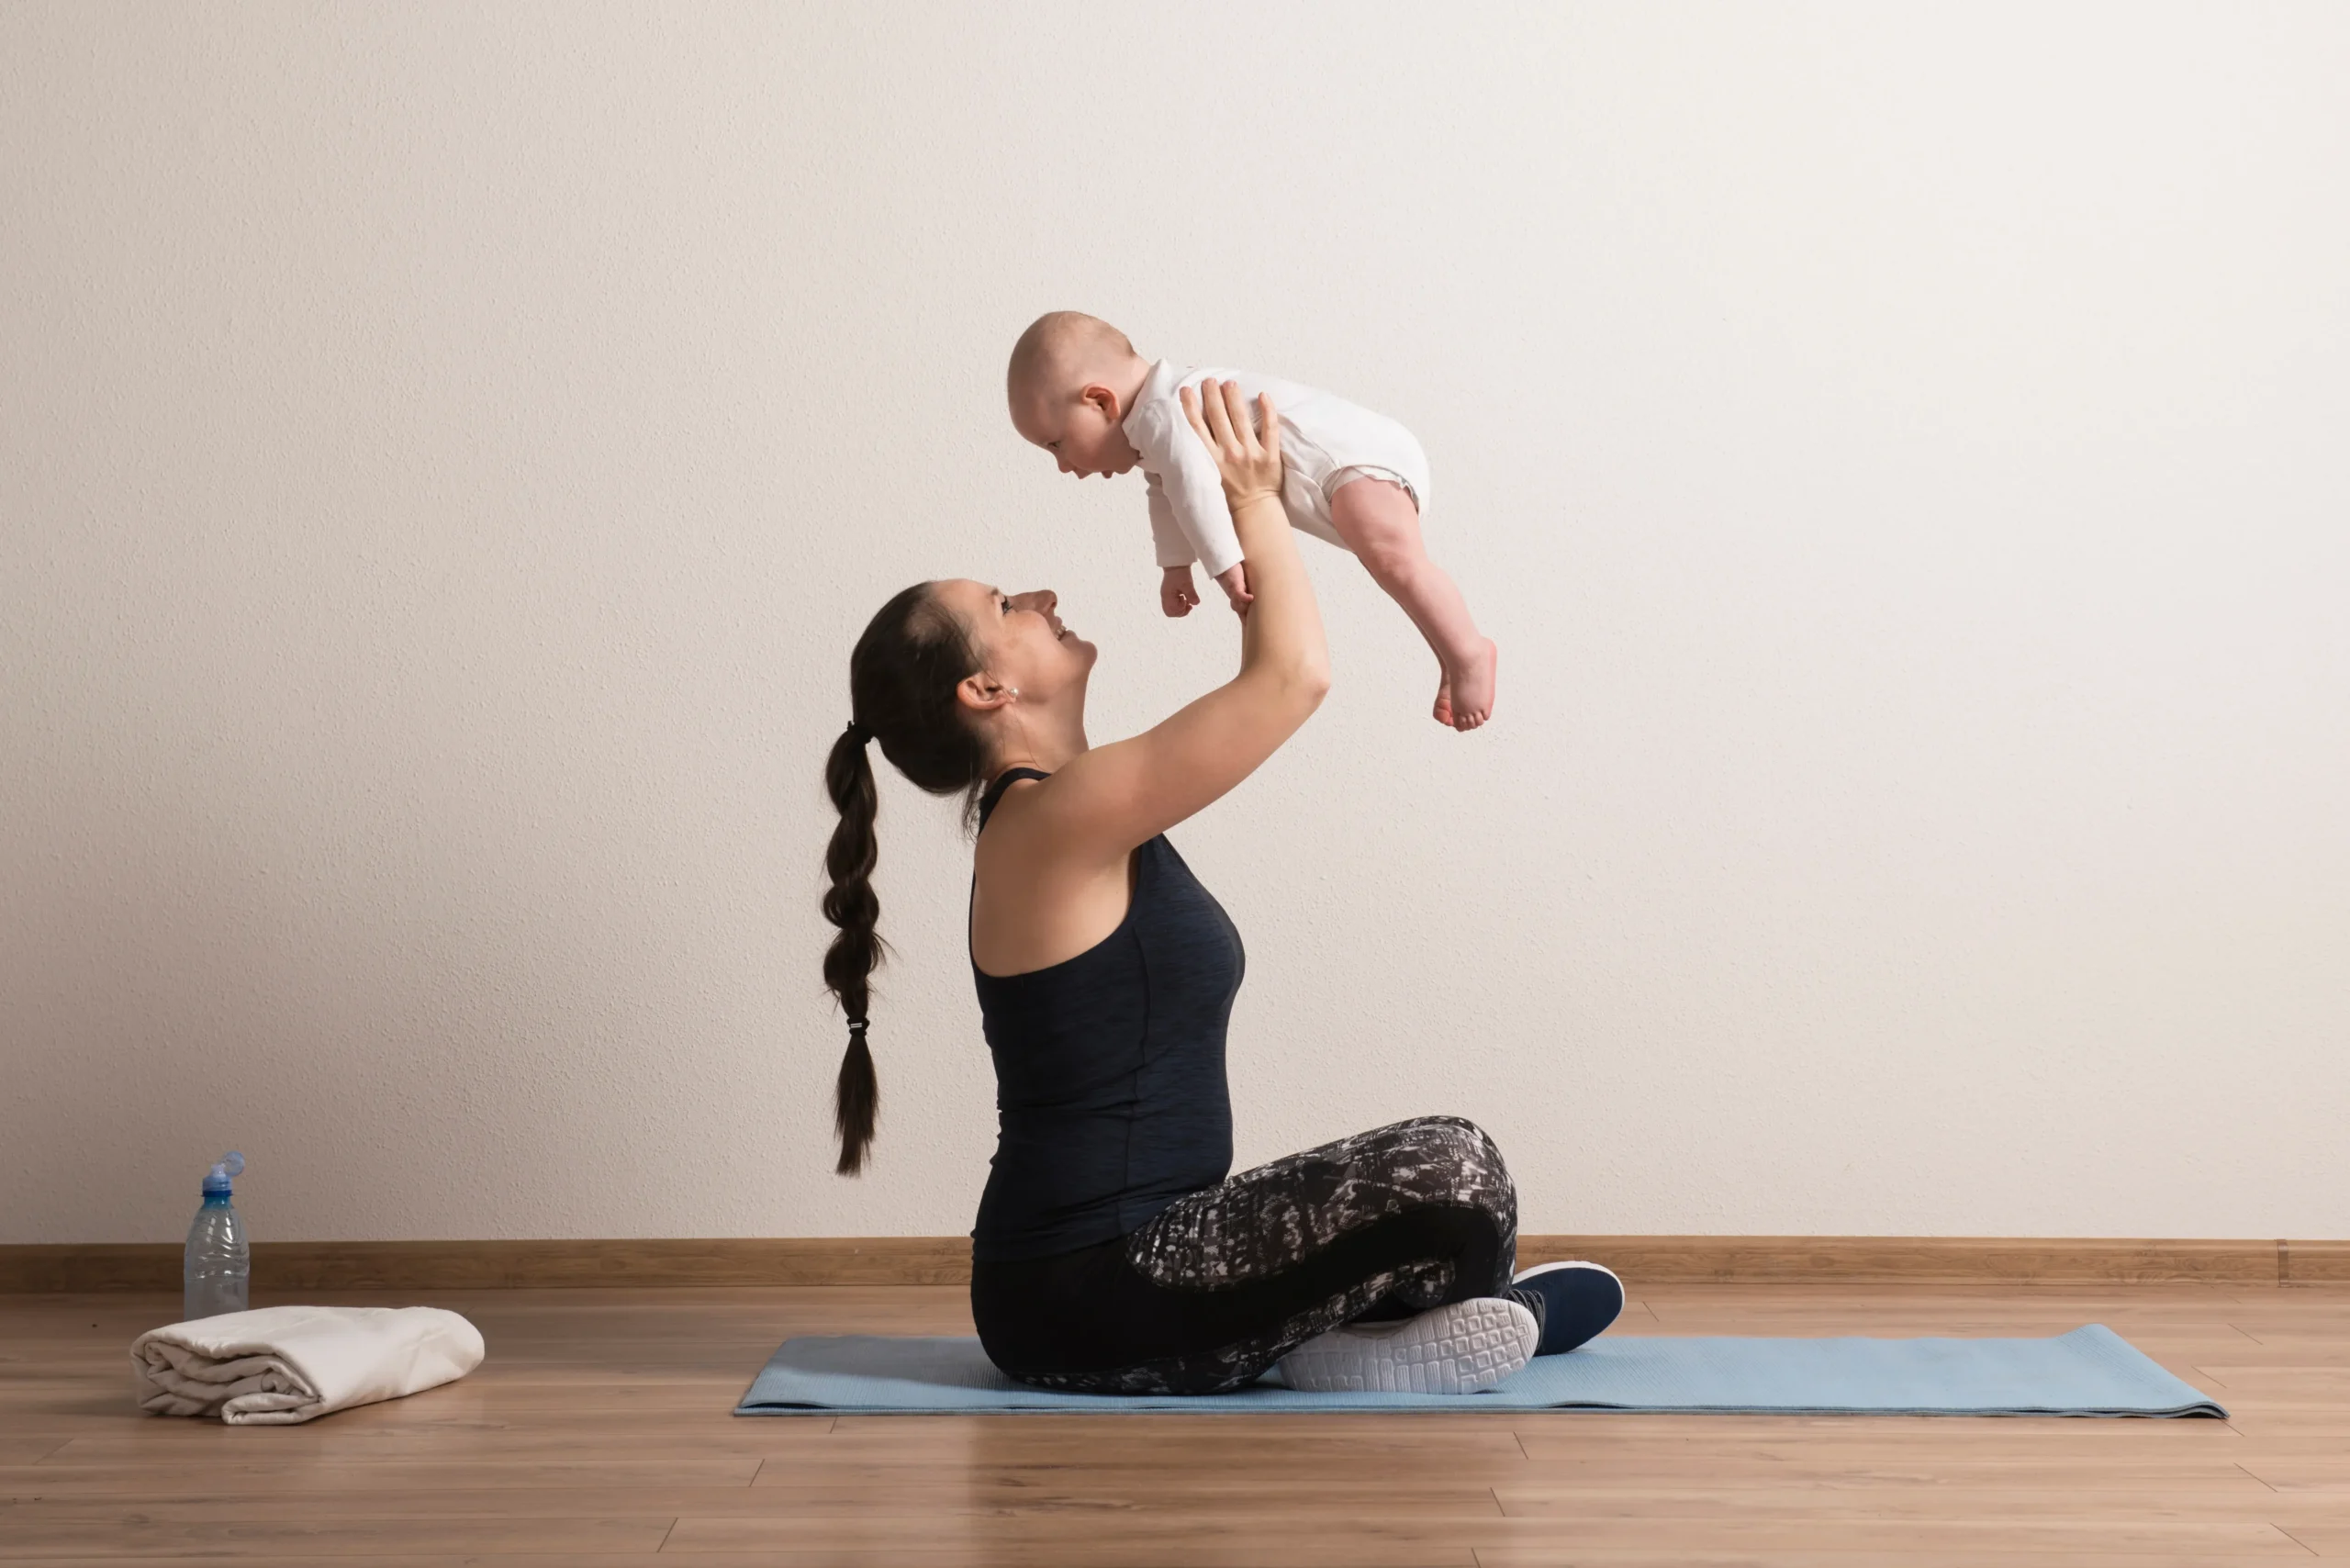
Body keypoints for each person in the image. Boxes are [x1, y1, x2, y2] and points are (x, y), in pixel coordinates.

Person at [822, 380, 1618, 1395]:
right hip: (1080, 1290)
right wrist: (1250, 492)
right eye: (1008, 607)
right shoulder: (1048, 823)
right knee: (1453, 1175)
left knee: (1459, 1167)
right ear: (986, 690)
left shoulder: (1079, 809)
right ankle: (1397, 1320)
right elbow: (1290, 677)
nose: (1044, 598)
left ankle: (1353, 1334)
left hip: (1154, 1259)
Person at [1007, 310, 1500, 732]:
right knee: (1391, 567)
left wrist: (1225, 567)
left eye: (1056, 444)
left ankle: (1470, 651)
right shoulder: (1152, 430)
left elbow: (1194, 488)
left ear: (1100, 401)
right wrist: (1175, 567)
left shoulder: (1163, 411)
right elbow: (1169, 491)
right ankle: (1450, 656)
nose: (1064, 467)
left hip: (1354, 458)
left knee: (1397, 562)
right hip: (1345, 475)